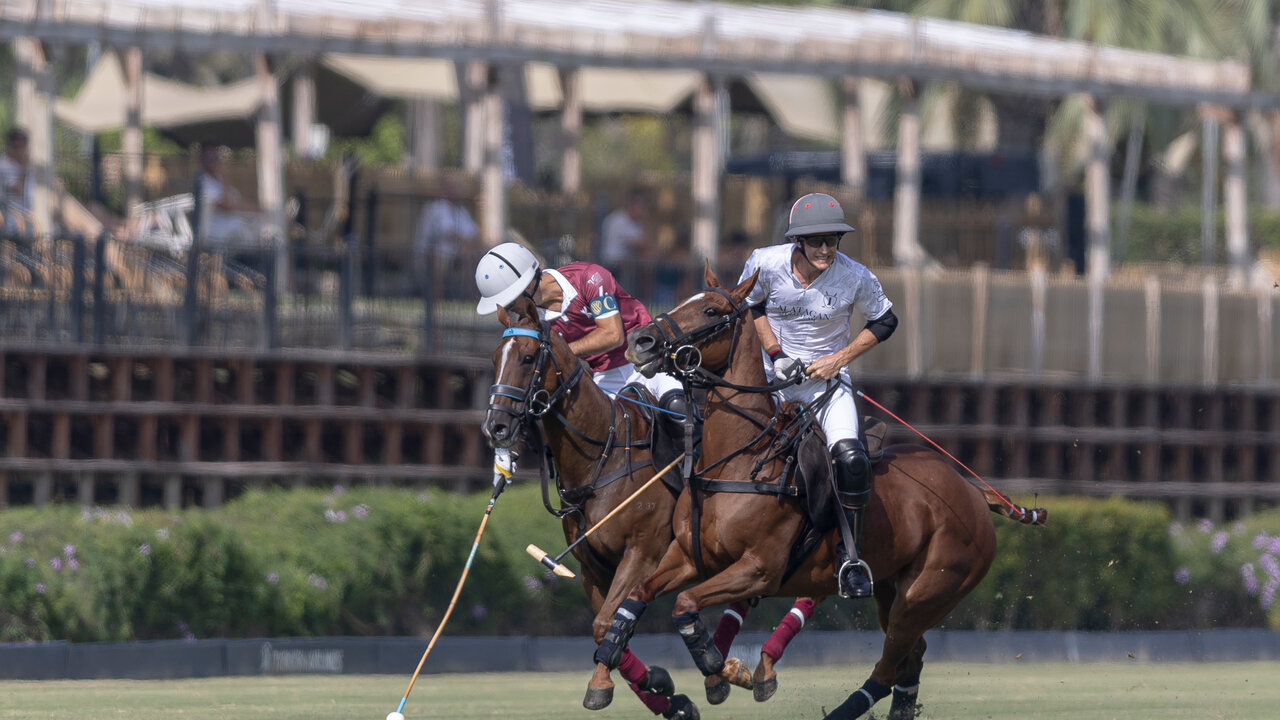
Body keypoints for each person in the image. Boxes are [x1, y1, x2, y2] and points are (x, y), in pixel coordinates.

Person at [738, 192, 898, 600]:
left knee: (851, 456)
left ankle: (849, 556)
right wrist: (775, 355)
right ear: (798, 243)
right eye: (816, 241)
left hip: (826, 384)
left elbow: (885, 320)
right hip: (771, 380)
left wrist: (838, 359)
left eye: (832, 240)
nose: (825, 248)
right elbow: (752, 308)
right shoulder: (764, 263)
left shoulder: (855, 276)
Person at [414, 176, 478, 299]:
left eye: (457, 189)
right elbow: (449, 232)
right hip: (429, 251)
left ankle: (470, 294)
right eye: (452, 188)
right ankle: (437, 300)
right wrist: (465, 242)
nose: (456, 192)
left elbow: (473, 232)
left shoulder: (460, 209)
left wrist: (471, 244)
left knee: (469, 253)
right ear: (444, 190)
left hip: (452, 252)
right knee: (439, 258)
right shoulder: (435, 207)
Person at [195, 143, 257, 244]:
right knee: (245, 226)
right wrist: (225, 177)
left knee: (259, 223)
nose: (212, 160)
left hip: (231, 235)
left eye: (214, 156)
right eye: (208, 157)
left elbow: (239, 203)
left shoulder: (218, 180)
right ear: (202, 161)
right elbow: (228, 206)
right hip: (215, 235)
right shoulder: (204, 184)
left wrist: (261, 211)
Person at [598, 188, 649, 282]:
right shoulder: (619, 220)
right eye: (641, 206)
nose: (643, 210)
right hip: (613, 268)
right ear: (632, 205)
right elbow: (642, 246)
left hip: (624, 268)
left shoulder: (634, 222)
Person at [0, 128, 32, 233]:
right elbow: (18, 190)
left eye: (23, 147)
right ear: (10, 146)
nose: (20, 151)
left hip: (27, 219)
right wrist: (23, 168)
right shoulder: (4, 165)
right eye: (17, 147)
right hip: (10, 223)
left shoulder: (26, 164)